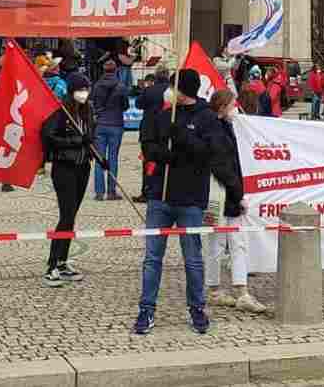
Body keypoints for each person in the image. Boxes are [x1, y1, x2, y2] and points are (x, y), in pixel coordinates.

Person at [135, 69, 242, 335]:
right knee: (152, 258)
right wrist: (166, 155)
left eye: (174, 87)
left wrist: (181, 137)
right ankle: (146, 310)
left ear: (185, 91)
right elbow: (148, 148)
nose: (169, 91)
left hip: (191, 199)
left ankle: (197, 308)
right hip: (160, 196)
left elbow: (209, 153)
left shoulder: (206, 118)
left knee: (193, 258)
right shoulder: (161, 115)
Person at [204, 89, 265, 313]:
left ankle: (242, 291)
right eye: (232, 105)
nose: (235, 108)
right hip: (220, 196)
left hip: (229, 194)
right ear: (222, 107)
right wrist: (238, 193)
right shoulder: (215, 130)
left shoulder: (225, 127)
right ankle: (214, 289)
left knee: (237, 243)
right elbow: (222, 166)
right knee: (216, 243)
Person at [41, 74, 96, 287]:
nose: (85, 93)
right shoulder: (60, 111)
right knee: (66, 215)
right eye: (81, 89)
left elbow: (90, 135)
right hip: (65, 168)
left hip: (83, 167)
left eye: (87, 88)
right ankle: (52, 264)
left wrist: (96, 154)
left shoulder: (87, 109)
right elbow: (48, 136)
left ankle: (63, 261)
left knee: (72, 216)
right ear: (72, 91)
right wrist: (75, 141)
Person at [91, 60, 128, 201]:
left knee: (99, 159)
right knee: (113, 158)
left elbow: (93, 103)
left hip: (100, 123)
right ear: (116, 70)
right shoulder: (121, 86)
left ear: (103, 70)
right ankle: (111, 191)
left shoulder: (97, 85)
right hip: (116, 124)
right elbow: (125, 106)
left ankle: (99, 192)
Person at [135, 66, 170, 203]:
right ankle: (164, 191)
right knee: (166, 162)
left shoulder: (149, 90)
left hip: (149, 132)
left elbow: (138, 104)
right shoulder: (172, 91)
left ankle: (147, 191)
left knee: (148, 163)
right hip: (166, 131)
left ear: (156, 76)